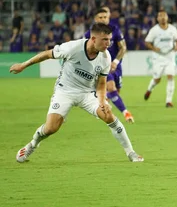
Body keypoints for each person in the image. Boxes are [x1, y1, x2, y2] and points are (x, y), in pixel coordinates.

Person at [9, 20, 144, 163]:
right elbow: (47, 54)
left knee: (108, 115)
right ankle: (32, 145)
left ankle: (131, 153)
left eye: (109, 40)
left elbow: (102, 83)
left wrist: (102, 101)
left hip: (87, 93)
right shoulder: (73, 47)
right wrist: (23, 65)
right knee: (51, 128)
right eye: (105, 40)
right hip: (65, 91)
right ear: (93, 39)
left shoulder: (105, 57)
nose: (108, 44)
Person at [85, 7, 135, 123]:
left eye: (105, 17)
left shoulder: (115, 30)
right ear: (95, 19)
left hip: (116, 67)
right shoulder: (90, 34)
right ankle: (126, 113)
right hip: (102, 66)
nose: (103, 19)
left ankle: (103, 104)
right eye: (100, 17)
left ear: (109, 18)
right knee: (111, 87)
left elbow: (123, 48)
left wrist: (115, 62)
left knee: (115, 92)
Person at [144, 9, 177, 107]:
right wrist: (154, 48)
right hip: (158, 57)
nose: (163, 17)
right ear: (157, 18)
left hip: (170, 56)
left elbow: (176, 40)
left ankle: (168, 101)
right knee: (157, 79)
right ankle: (149, 89)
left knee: (170, 76)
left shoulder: (173, 29)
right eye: (160, 16)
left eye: (164, 15)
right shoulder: (154, 30)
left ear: (167, 17)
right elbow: (147, 42)